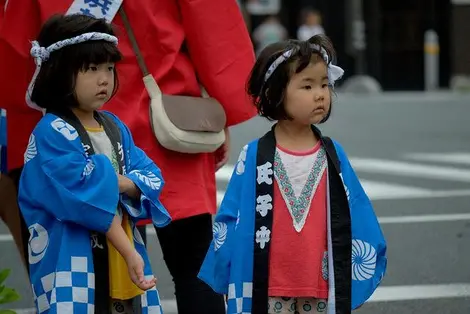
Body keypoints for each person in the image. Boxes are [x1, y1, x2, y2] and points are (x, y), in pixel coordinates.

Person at [0, 1, 256, 313]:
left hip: (77, 114)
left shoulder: (53, 127)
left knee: (104, 269)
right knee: (193, 265)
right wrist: (222, 106)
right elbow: (213, 23)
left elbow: (17, 39)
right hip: (169, 109)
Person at [198, 35, 387, 314]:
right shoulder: (254, 155)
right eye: (307, 86)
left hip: (320, 280)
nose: (321, 94)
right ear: (275, 94)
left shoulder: (332, 154)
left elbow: (356, 210)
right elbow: (232, 217)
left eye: (324, 84)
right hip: (268, 281)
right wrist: (226, 269)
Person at [18, 14, 172, 314]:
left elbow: (151, 174)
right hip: (73, 256)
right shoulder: (52, 131)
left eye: (110, 68)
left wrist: (119, 181)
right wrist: (129, 252)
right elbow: (83, 196)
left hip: (120, 253)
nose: (105, 78)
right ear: (60, 72)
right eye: (91, 69)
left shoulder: (114, 126)